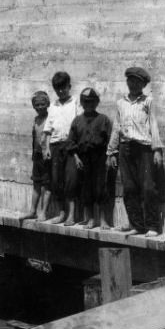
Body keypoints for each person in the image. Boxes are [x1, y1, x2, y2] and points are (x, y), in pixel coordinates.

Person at [107, 67, 165, 237]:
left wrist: (157, 150)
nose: (133, 84)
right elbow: (116, 128)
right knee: (129, 188)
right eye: (130, 81)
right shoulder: (121, 103)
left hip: (144, 149)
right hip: (125, 149)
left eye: (137, 82)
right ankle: (136, 224)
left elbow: (153, 124)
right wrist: (111, 152)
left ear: (143, 84)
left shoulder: (148, 102)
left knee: (148, 188)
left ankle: (153, 226)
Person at [65, 87, 113, 229]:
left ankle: (103, 220)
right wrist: (76, 158)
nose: (89, 105)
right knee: (86, 189)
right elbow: (71, 142)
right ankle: (91, 219)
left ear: (97, 103)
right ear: (81, 103)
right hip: (83, 158)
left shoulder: (103, 119)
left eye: (92, 102)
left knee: (101, 188)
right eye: (85, 102)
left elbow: (110, 139)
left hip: (99, 157)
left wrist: (109, 157)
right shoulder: (77, 121)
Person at [42, 72, 82, 224]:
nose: (60, 91)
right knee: (57, 180)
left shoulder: (76, 103)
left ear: (69, 87)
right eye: (57, 89)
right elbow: (47, 131)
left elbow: (79, 125)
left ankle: (72, 215)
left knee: (71, 180)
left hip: (71, 146)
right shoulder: (52, 106)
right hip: (55, 146)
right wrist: (46, 149)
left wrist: (77, 150)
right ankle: (61, 213)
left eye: (63, 88)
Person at [20, 91, 52, 222]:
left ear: (47, 104)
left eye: (42, 104)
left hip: (47, 157)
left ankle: (43, 212)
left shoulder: (50, 119)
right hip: (37, 156)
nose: (39, 107)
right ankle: (32, 211)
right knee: (36, 184)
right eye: (37, 105)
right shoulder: (36, 120)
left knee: (47, 185)